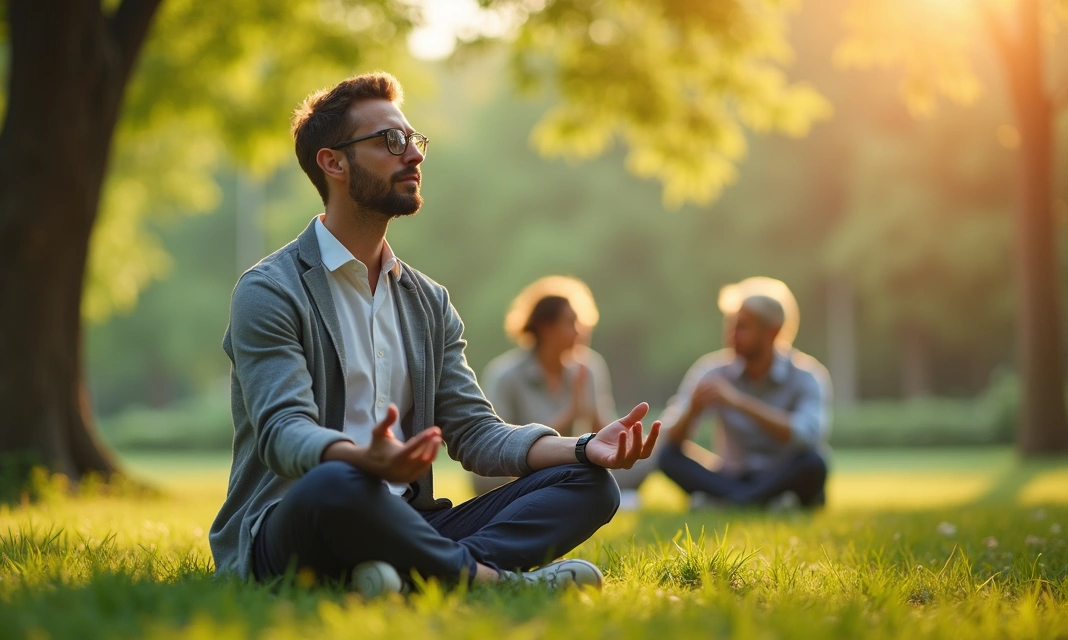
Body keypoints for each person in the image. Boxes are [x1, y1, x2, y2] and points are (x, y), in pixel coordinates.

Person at [209, 72, 660, 596]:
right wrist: (361, 459)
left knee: (589, 486)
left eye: (413, 140)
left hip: (411, 521)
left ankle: (410, 575)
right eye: (390, 142)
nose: (414, 155)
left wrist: (583, 447)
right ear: (333, 163)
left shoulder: (428, 302)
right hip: (298, 519)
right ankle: (488, 580)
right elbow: (282, 432)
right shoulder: (271, 291)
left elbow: (475, 432)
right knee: (338, 483)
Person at [477, 277, 653, 509]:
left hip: (571, 465)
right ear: (544, 327)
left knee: (651, 455)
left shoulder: (588, 368)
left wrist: (623, 440)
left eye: (580, 322)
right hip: (515, 475)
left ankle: (601, 493)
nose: (580, 331)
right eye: (571, 323)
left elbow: (601, 429)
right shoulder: (505, 376)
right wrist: (571, 413)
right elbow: (498, 449)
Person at [657, 277, 831, 510]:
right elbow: (670, 437)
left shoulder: (807, 376)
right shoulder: (711, 371)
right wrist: (692, 410)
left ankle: (724, 501)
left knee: (814, 463)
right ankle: (759, 501)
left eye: (742, 327)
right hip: (730, 475)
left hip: (780, 474)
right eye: (730, 325)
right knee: (667, 456)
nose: (731, 335)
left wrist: (739, 403)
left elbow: (807, 436)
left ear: (772, 332)